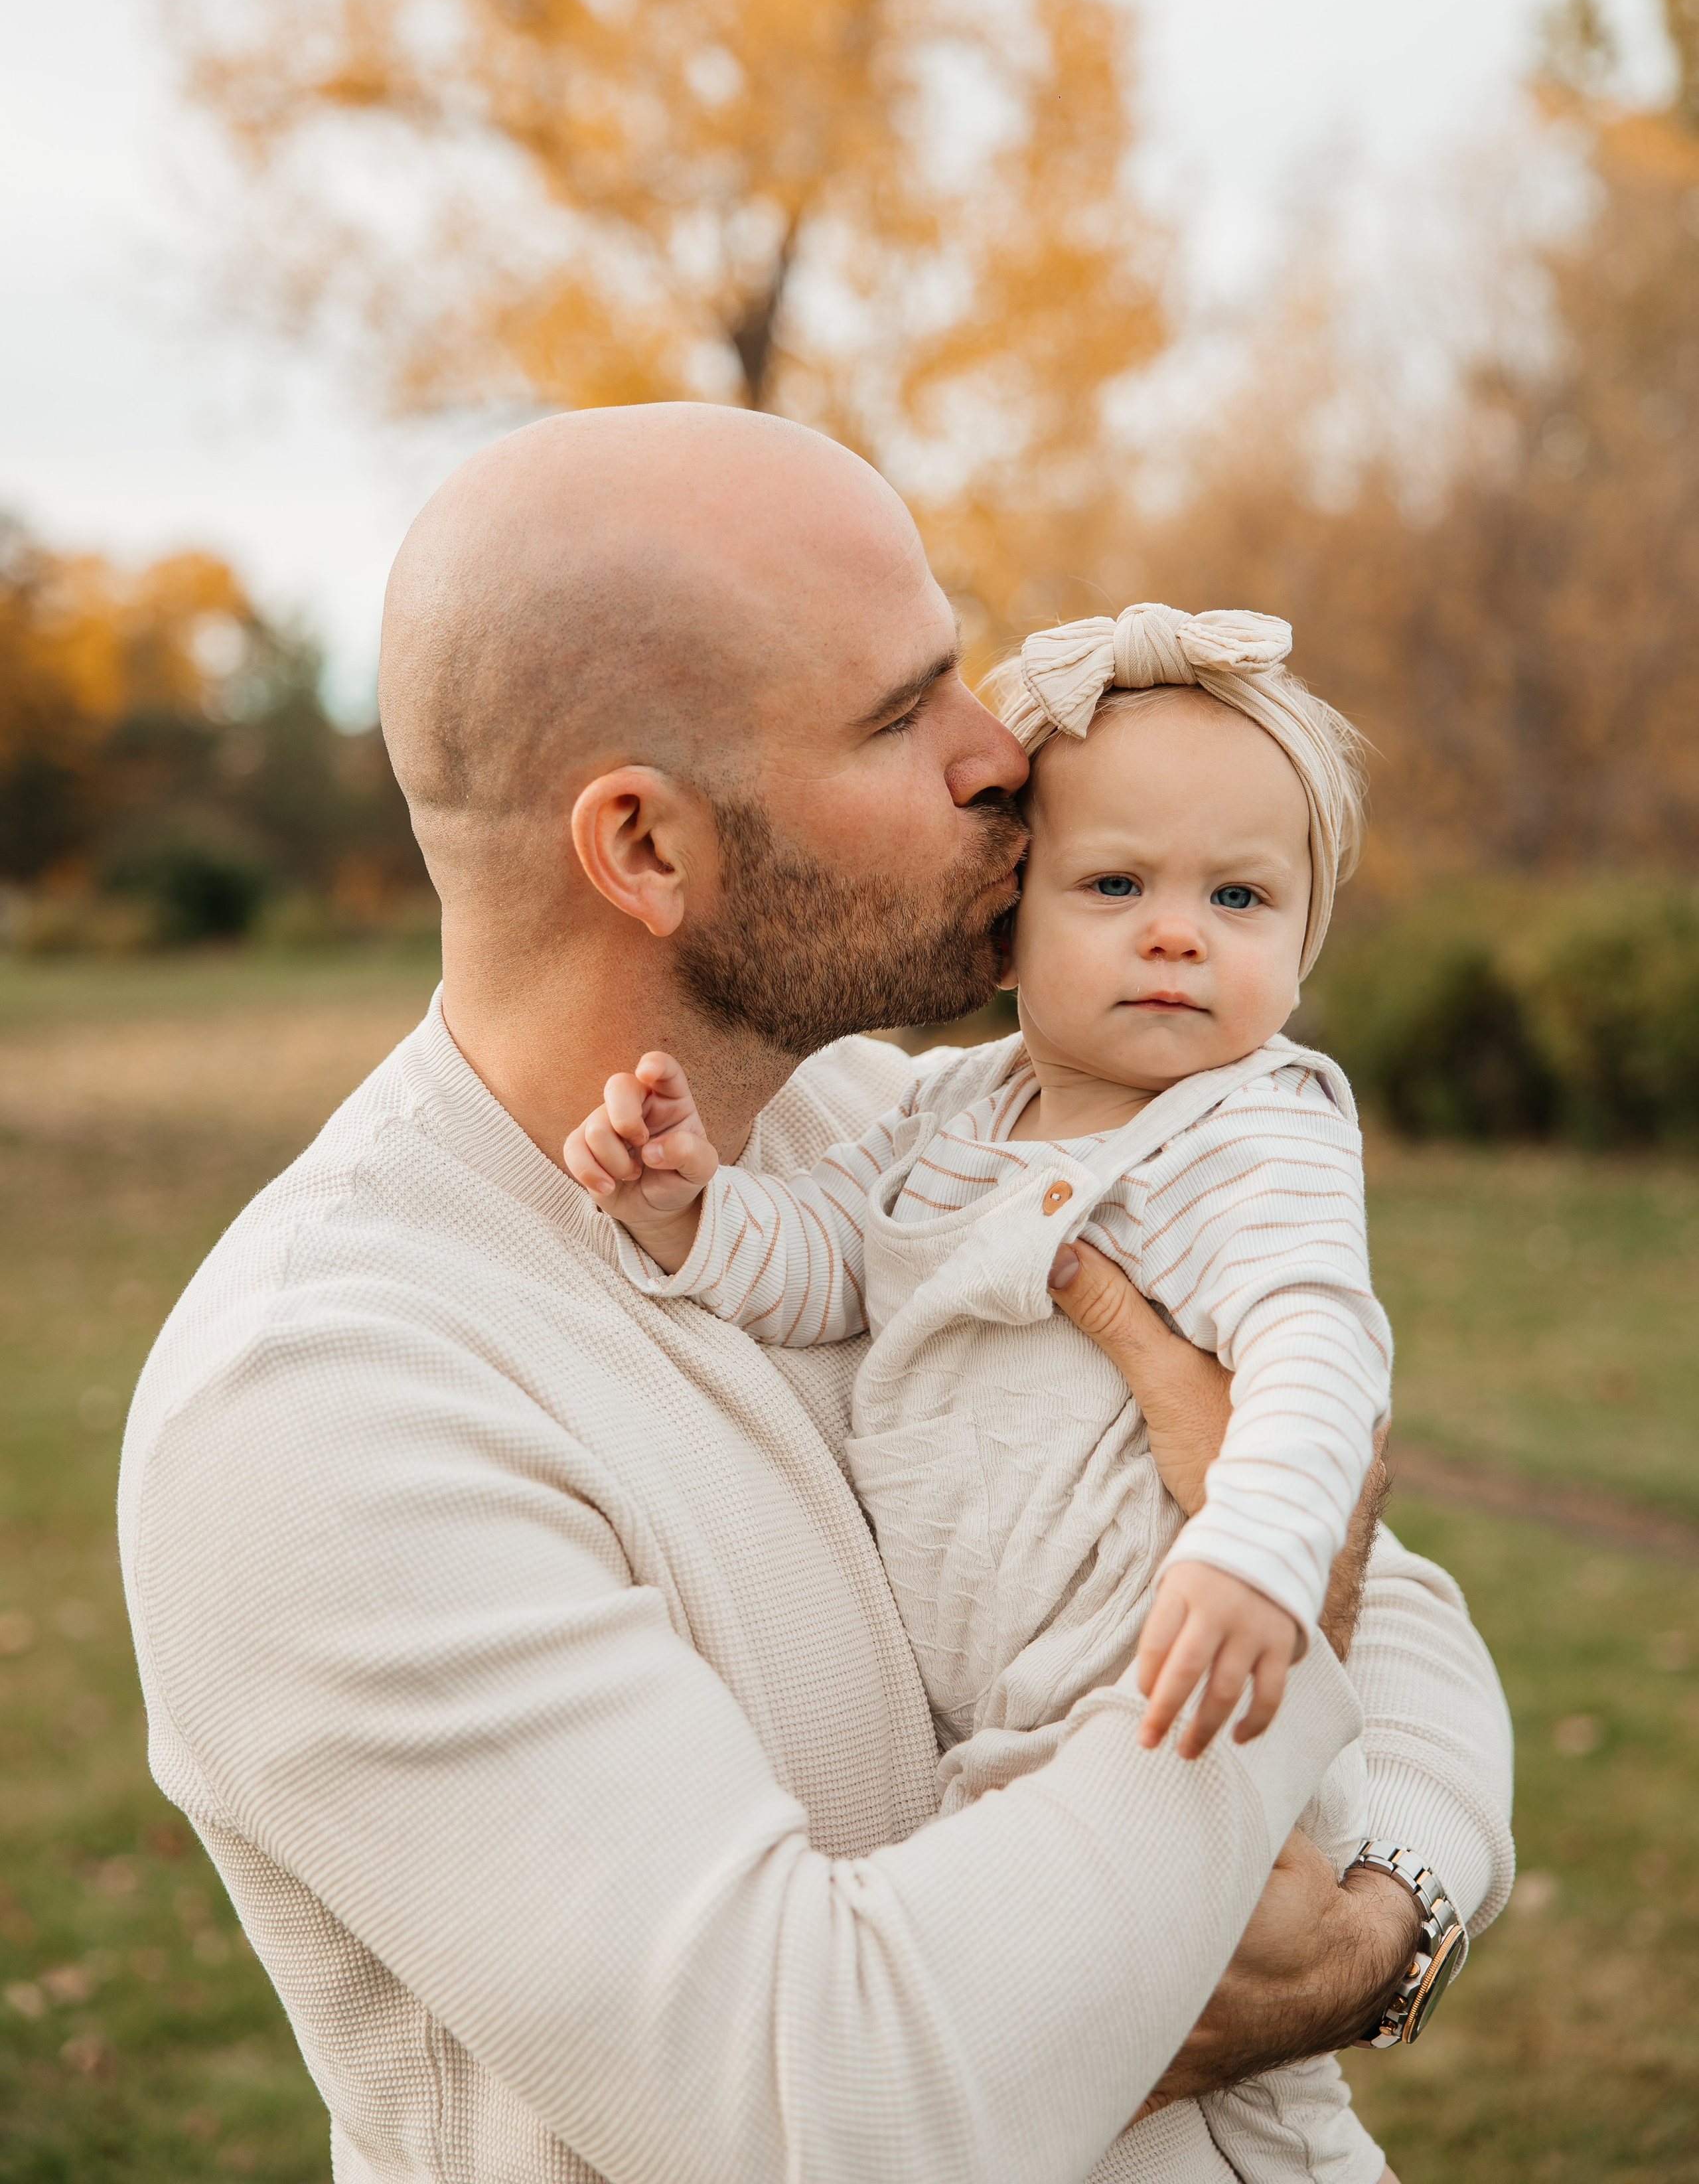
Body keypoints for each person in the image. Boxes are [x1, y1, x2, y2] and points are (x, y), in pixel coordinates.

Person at [118, 404, 1514, 2184]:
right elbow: (832, 2111)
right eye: (900, 711)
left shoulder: (906, 1132)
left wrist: (1381, 1939)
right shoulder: (323, 1405)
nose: (1006, 748)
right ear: (645, 850)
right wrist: (1272, 1673)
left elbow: (1408, 1627)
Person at [564, 601, 1402, 2183]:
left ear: (1302, 937)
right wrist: (692, 1209)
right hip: (994, 1720)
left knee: (1228, 2122)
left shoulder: (1253, 1125)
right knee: (1041, 2089)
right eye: (1114, 887)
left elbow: (1317, 1350)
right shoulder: (948, 1108)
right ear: (1006, 922)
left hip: (1153, 1670)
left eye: (1239, 896)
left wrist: (1252, 1556)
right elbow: (830, 1266)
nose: (1176, 933)